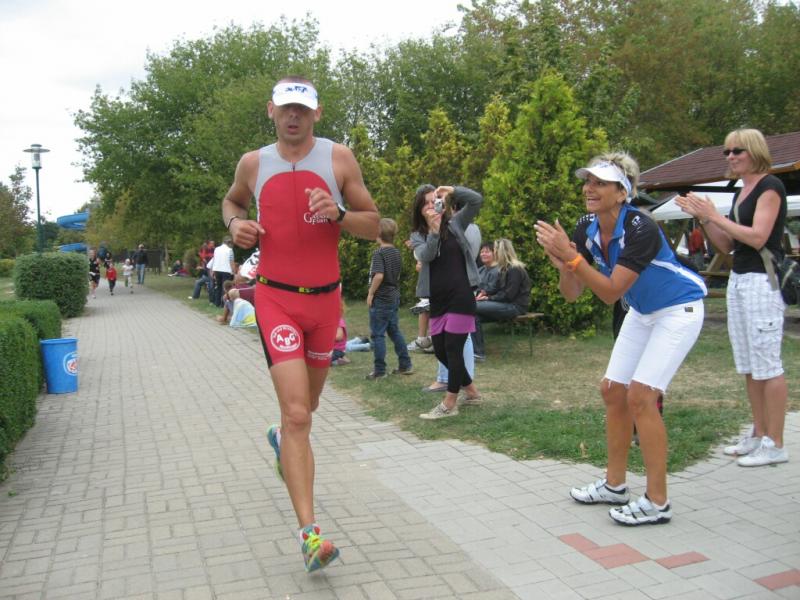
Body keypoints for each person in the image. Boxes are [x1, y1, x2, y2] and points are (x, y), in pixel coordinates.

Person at [221, 75, 379, 572]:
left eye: (303, 109)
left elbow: (374, 223)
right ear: (271, 110)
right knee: (298, 416)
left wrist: (339, 213)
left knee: (306, 408)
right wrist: (235, 224)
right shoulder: (253, 163)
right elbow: (232, 201)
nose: (294, 116)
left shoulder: (339, 159)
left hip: (325, 304)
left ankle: (281, 440)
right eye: (286, 108)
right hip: (276, 300)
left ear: (317, 113)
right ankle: (311, 536)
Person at [535, 151, 707, 526]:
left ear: (622, 192)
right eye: (588, 181)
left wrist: (572, 259)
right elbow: (572, 293)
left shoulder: (641, 227)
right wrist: (564, 262)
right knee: (613, 390)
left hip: (678, 309)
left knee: (641, 396)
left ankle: (658, 502)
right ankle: (615, 486)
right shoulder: (586, 226)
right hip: (642, 312)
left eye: (601, 183)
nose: (589, 188)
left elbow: (611, 292)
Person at [677, 128, 789, 467]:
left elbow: (757, 237)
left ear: (754, 151)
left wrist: (714, 216)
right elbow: (727, 246)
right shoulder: (744, 190)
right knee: (749, 364)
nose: (730, 157)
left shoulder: (771, 186)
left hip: (762, 282)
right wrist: (704, 219)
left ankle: (776, 443)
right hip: (739, 279)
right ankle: (758, 433)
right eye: (726, 151)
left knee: (768, 364)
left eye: (737, 150)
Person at [411, 184, 483, 419]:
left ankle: (449, 404)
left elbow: (476, 200)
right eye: (426, 203)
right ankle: (472, 392)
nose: (431, 206)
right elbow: (426, 255)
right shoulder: (418, 235)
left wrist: (452, 190)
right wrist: (433, 232)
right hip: (438, 300)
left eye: (435, 201)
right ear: (420, 210)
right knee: (441, 350)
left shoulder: (456, 223)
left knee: (453, 348)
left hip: (461, 296)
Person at [366, 218, 412, 379]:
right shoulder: (396, 252)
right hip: (393, 296)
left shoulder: (379, 253)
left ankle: (379, 370)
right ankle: (405, 364)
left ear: (378, 233)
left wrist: (371, 293)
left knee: (378, 334)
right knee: (394, 331)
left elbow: (379, 275)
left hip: (381, 298)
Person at [471, 238, 531, 360]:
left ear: (501, 252)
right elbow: (496, 288)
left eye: (495, 250)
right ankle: (478, 352)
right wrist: (484, 293)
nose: (494, 253)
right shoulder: (504, 268)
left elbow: (508, 295)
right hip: (506, 305)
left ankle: (477, 352)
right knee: (472, 316)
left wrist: (489, 298)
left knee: (470, 306)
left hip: (515, 307)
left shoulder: (514, 269)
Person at [211, 236, 235, 307]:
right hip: (226, 271)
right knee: (225, 288)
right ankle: (223, 304)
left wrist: (213, 270)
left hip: (217, 270)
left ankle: (217, 303)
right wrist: (233, 271)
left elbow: (214, 260)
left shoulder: (216, 249)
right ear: (229, 243)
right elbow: (231, 262)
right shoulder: (230, 250)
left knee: (218, 287)